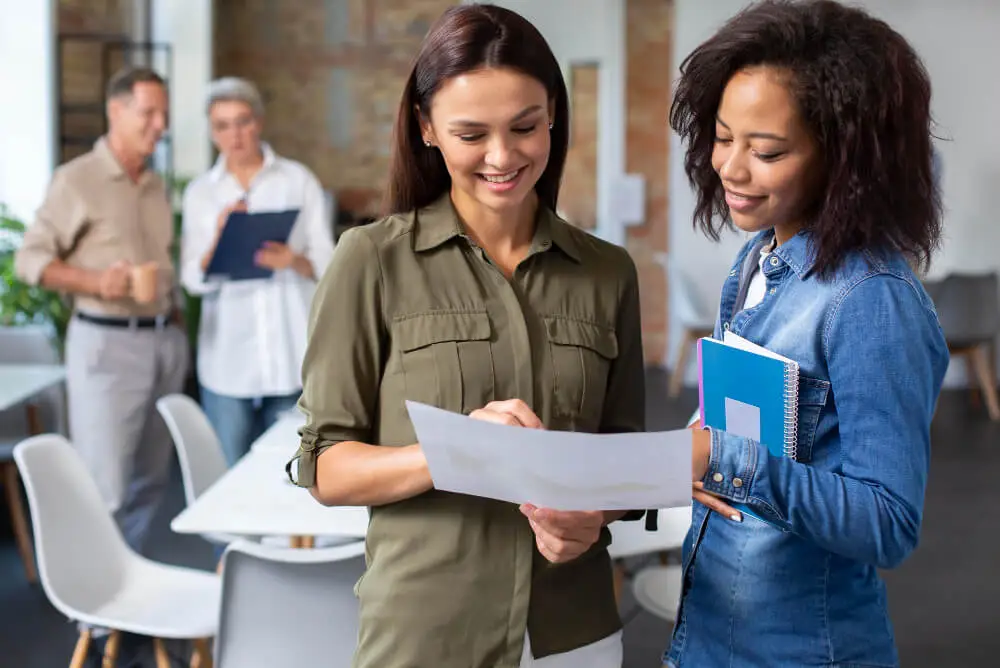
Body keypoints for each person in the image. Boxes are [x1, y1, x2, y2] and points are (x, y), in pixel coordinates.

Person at [287, 4, 646, 667]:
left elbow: (622, 452)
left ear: (554, 117)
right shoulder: (370, 261)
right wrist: (457, 452)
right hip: (428, 630)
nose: (503, 156)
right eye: (471, 133)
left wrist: (595, 514)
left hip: (574, 630)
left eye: (525, 127)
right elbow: (328, 468)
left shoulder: (607, 273)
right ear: (426, 127)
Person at [665, 1, 949, 666]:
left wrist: (722, 459)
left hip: (800, 649)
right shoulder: (758, 258)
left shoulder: (871, 301)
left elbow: (889, 523)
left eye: (765, 151)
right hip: (709, 632)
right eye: (723, 135)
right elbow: (755, 428)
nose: (730, 168)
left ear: (844, 159)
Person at [15, 66, 189, 555]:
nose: (160, 124)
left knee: (153, 481)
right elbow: (29, 260)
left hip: (162, 341)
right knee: (104, 485)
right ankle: (92, 615)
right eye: (148, 112)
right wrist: (93, 281)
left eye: (164, 114)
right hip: (106, 345)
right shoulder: (77, 180)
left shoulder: (155, 184)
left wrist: (174, 321)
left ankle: (125, 594)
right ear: (115, 110)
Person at [180, 77, 335, 466]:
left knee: (292, 472)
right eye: (222, 126)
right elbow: (191, 281)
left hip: (290, 355)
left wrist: (294, 260)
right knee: (228, 473)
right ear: (212, 132)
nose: (235, 135)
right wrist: (218, 240)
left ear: (259, 122)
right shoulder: (201, 193)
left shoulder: (298, 181)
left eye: (243, 121)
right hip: (226, 362)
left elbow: (331, 265)